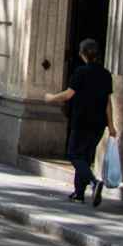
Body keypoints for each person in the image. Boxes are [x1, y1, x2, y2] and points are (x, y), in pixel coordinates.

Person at [46, 38, 117, 206]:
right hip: (99, 124)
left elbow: (69, 95)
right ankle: (79, 194)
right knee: (84, 157)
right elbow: (108, 102)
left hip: (82, 121)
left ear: (82, 54)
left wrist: (51, 98)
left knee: (74, 154)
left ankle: (93, 182)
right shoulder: (106, 75)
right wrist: (111, 125)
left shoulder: (81, 72)